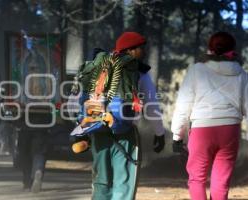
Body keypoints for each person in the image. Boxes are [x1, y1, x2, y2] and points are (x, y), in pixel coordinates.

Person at [86, 32, 165, 200]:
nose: (143, 52)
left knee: (101, 180)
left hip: (98, 131)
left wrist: (80, 131)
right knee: (124, 180)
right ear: (130, 50)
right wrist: (159, 133)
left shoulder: (98, 67)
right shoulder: (138, 72)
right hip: (125, 134)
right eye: (141, 48)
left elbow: (80, 98)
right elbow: (151, 106)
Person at [171, 31, 248, 200]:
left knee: (197, 179)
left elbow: (184, 104)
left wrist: (178, 135)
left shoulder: (197, 70)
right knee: (221, 181)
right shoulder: (242, 74)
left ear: (210, 49)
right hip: (230, 131)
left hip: (202, 130)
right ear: (232, 49)